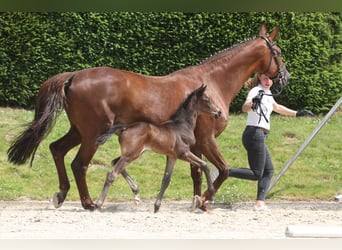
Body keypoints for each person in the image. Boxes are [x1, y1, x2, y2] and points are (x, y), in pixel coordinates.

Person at [229, 73, 313, 211]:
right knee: (257, 173)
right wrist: (252, 103)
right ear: (259, 79)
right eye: (264, 78)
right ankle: (225, 172)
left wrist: (297, 113)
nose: (268, 81)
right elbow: (245, 107)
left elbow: (277, 107)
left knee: (268, 170)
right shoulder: (256, 91)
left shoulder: (267, 93)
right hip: (254, 133)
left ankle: (259, 203)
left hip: (259, 135)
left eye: (270, 79)